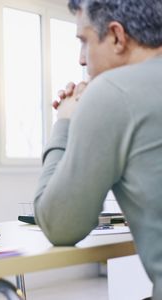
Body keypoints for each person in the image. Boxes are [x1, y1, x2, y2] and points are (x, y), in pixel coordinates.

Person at [33, 0, 162, 298]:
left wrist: (65, 122)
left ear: (117, 36)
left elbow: (59, 224)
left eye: (84, 41)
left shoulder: (112, 92)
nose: (81, 59)